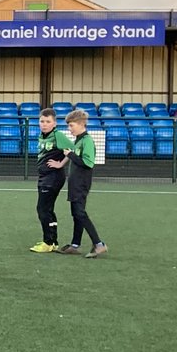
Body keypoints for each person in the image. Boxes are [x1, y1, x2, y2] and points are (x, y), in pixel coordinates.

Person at [60, 109, 108, 258]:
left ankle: (99, 244)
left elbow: (88, 163)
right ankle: (75, 244)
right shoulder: (79, 140)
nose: (70, 129)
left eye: (71, 125)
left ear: (81, 124)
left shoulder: (86, 140)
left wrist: (70, 154)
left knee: (80, 213)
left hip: (81, 183)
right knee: (76, 214)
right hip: (75, 182)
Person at [30, 108, 74, 252]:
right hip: (44, 177)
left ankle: (48, 242)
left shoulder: (58, 135)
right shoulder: (42, 136)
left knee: (42, 209)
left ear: (54, 123)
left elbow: (73, 150)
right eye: (42, 121)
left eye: (48, 122)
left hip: (53, 177)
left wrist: (60, 164)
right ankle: (52, 241)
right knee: (48, 209)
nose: (44, 124)